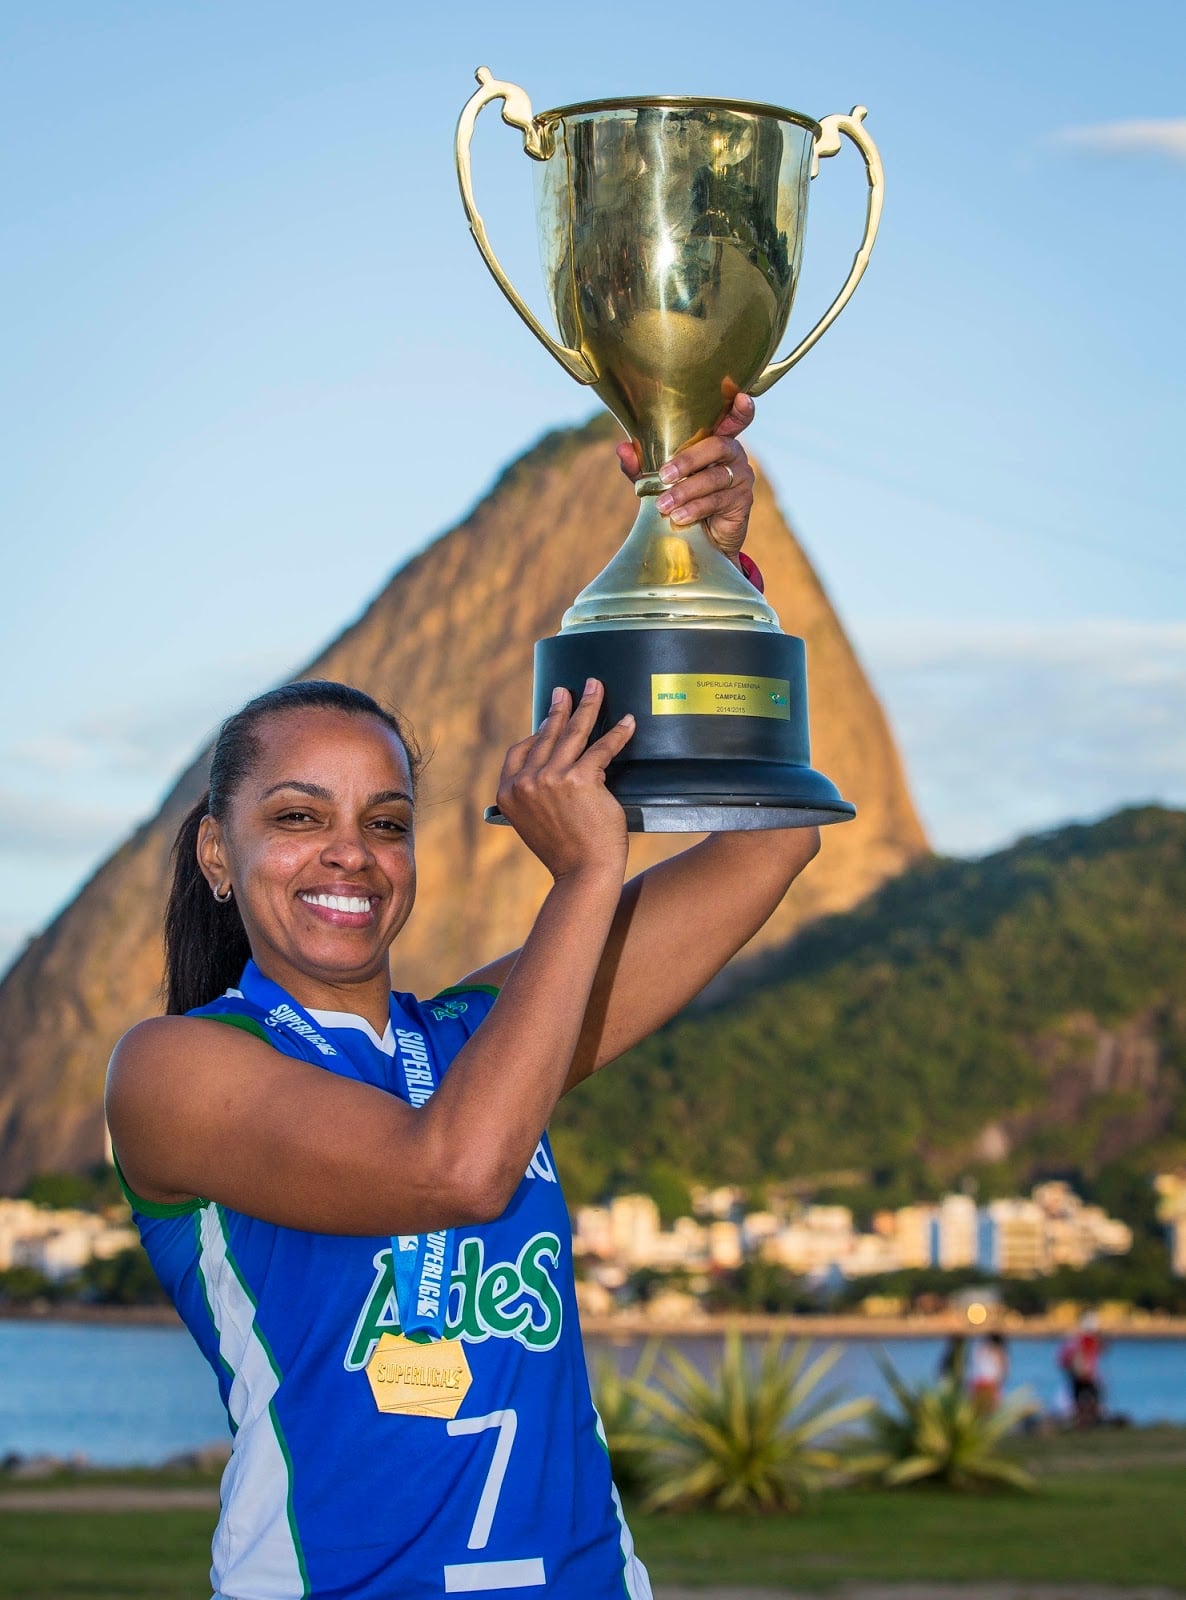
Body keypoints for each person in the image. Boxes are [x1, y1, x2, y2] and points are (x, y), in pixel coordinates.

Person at [106, 401, 824, 1600]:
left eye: (386, 823)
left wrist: (712, 585)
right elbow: (457, 1169)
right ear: (218, 853)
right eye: (297, 816)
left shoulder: (488, 1033)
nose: (350, 853)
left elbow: (776, 841)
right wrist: (586, 873)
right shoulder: (174, 1068)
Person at [1059, 1314, 1106, 1426]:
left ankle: (1083, 1421)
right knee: (1091, 1397)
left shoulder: (1075, 1339)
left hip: (1078, 1374)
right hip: (1085, 1375)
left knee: (1081, 1398)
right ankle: (1087, 1421)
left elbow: (1064, 1360)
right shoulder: (1085, 1340)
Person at [969, 1331, 1009, 1413]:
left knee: (978, 1411)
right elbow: (1004, 1370)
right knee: (990, 1411)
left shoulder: (980, 1347)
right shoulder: (998, 1351)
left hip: (980, 1382)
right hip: (989, 1384)